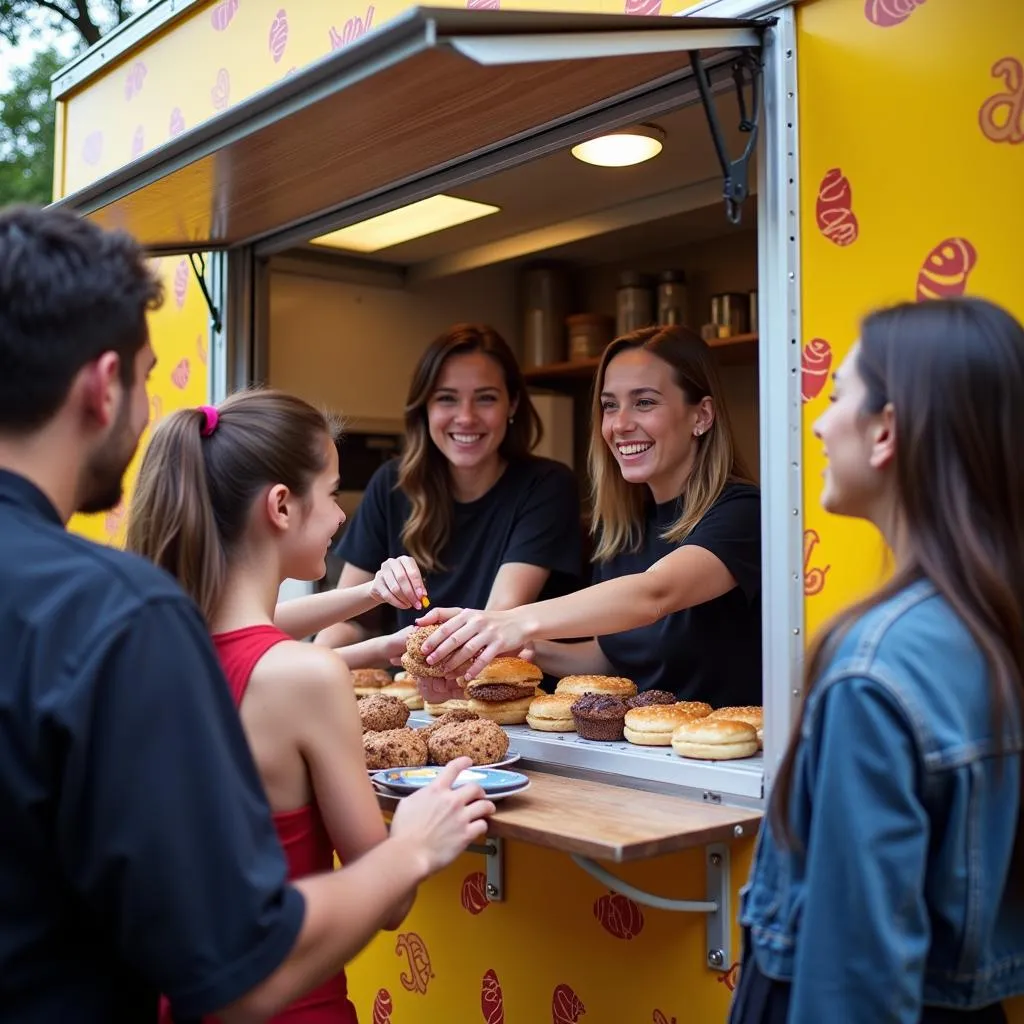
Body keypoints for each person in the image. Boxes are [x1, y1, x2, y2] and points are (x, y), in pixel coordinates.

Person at [0, 203, 494, 1024]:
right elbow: (237, 966)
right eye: (149, 373)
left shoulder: (139, 621)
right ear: (103, 384)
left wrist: (374, 615)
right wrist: (414, 843)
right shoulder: (118, 618)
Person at [731, 297, 1024, 1023]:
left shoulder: (875, 668)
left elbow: (852, 985)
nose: (821, 424)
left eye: (837, 399)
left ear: (887, 429)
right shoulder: (994, 626)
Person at [126, 390, 423, 1023]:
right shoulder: (306, 679)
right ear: (282, 506)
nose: (342, 517)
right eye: (334, 492)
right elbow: (388, 900)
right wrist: (428, 829)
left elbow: (250, 643)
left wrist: (369, 623)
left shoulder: (156, 642)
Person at [415, 324, 762, 707]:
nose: (619, 424)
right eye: (610, 405)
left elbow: (654, 594)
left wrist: (512, 622)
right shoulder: (624, 528)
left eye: (644, 402)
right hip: (639, 753)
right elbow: (610, 657)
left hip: (724, 759)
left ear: (702, 416)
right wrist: (518, 645)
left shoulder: (743, 512)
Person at [315, 323, 584, 692]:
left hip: (508, 702)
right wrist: (317, 668)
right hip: (416, 700)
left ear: (513, 404)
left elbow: (493, 624)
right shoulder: (391, 484)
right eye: (447, 398)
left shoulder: (546, 486)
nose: (466, 417)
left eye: (486, 398)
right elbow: (346, 617)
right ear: (424, 407)